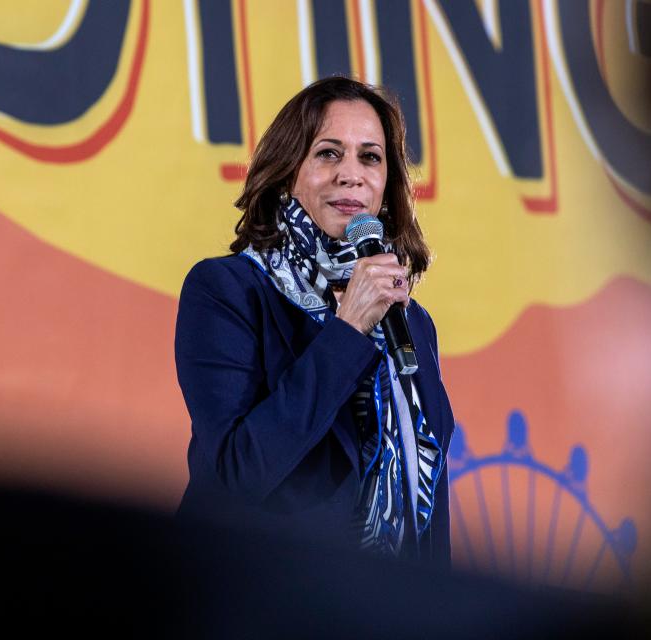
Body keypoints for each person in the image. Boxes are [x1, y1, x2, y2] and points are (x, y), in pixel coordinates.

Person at [174, 76, 454, 565]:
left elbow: (428, 499)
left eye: (370, 157)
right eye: (328, 153)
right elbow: (238, 473)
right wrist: (345, 332)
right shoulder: (227, 291)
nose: (352, 174)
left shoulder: (411, 322)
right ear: (288, 173)